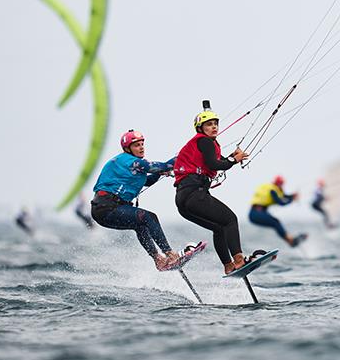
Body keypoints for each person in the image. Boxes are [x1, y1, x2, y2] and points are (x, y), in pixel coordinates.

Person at [174, 103, 260, 275]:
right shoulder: (204, 141)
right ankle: (239, 260)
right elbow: (215, 164)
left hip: (183, 200)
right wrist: (234, 160)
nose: (213, 127)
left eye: (215, 124)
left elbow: (219, 161)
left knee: (219, 228)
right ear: (200, 128)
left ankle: (228, 266)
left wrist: (232, 158)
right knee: (230, 220)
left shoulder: (203, 144)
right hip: (194, 194)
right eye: (208, 124)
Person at [91, 129, 187, 271]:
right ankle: (170, 254)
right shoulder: (130, 161)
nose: (141, 147)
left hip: (104, 210)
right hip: (107, 207)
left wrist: (160, 172)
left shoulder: (133, 166)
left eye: (142, 144)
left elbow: (147, 181)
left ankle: (158, 260)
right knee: (149, 217)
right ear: (127, 148)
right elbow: (161, 166)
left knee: (140, 225)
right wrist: (181, 157)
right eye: (136, 145)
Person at [249, 175, 308, 247]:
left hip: (256, 213)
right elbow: (281, 202)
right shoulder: (273, 190)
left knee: (276, 222)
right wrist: (292, 199)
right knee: (276, 222)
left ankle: (290, 240)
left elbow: (283, 196)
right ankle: (291, 241)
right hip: (256, 214)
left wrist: (292, 196)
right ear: (280, 184)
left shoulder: (270, 187)